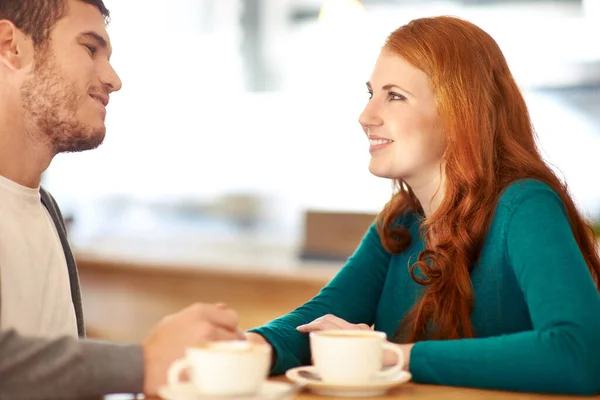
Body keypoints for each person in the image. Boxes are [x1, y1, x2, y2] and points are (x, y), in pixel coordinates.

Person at [232, 16, 599, 394]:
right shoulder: (399, 224)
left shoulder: (525, 207)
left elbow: (580, 353)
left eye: (394, 96)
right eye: (370, 93)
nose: (366, 117)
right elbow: (319, 319)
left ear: (460, 113)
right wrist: (246, 348)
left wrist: (393, 356)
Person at [0, 1, 243, 399]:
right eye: (90, 49)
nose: (113, 79)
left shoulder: (45, 211)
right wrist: (142, 364)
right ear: (11, 46)